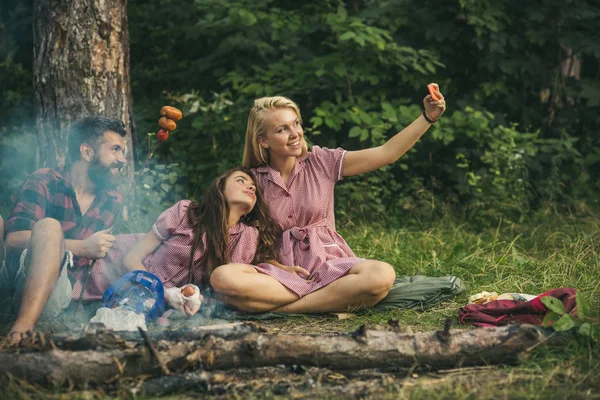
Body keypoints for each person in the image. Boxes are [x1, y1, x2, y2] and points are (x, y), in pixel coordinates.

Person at [210, 84, 446, 313]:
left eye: (296, 124)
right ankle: (325, 299)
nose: (295, 134)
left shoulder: (322, 162)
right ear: (263, 141)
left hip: (330, 266)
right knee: (223, 277)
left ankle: (291, 309)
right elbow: (233, 232)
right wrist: (277, 266)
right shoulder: (251, 181)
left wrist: (428, 117)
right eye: (282, 129)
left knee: (381, 275)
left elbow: (387, 153)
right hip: (280, 275)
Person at [2, 116, 127, 345]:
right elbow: (13, 240)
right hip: (8, 278)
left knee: (50, 228)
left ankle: (21, 331)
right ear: (87, 152)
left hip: (49, 294)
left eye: (123, 152)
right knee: (49, 228)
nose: (122, 159)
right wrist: (81, 247)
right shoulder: (46, 180)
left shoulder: (113, 200)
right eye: (116, 150)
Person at [95, 167, 280, 317]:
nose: (251, 187)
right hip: (108, 265)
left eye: (254, 187)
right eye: (241, 180)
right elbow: (131, 259)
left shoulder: (246, 237)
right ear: (220, 189)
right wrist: (165, 294)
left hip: (137, 301)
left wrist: (191, 300)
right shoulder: (185, 213)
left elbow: (228, 292)